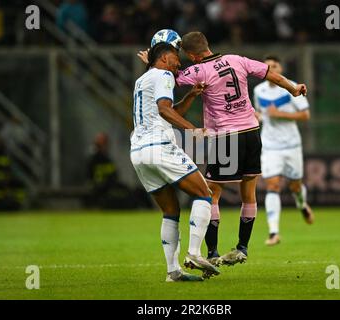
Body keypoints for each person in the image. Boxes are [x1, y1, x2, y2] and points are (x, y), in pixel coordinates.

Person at [137, 31, 307, 266]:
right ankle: (242, 248)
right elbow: (270, 74)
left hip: (225, 137)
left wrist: (151, 63)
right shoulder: (238, 59)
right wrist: (293, 88)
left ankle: (212, 252)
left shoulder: (197, 70)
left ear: (191, 55)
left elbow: (167, 75)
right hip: (251, 132)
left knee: (211, 193)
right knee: (249, 193)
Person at [130, 42, 219, 282]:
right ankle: (194, 253)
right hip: (159, 146)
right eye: (176, 57)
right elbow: (163, 110)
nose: (179, 63)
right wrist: (193, 130)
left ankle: (173, 272)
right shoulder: (165, 75)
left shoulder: (143, 79)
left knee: (170, 210)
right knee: (204, 193)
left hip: (138, 152)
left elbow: (169, 110)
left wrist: (190, 94)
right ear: (165, 57)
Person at [253, 55, 314, 246]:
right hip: (270, 145)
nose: (271, 69)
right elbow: (262, 115)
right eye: (267, 66)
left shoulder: (292, 87)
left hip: (291, 144)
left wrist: (281, 114)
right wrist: (258, 117)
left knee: (295, 186)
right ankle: (274, 232)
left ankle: (301, 204)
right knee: (272, 185)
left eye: (274, 66)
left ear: (280, 69)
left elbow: (305, 115)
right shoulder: (258, 90)